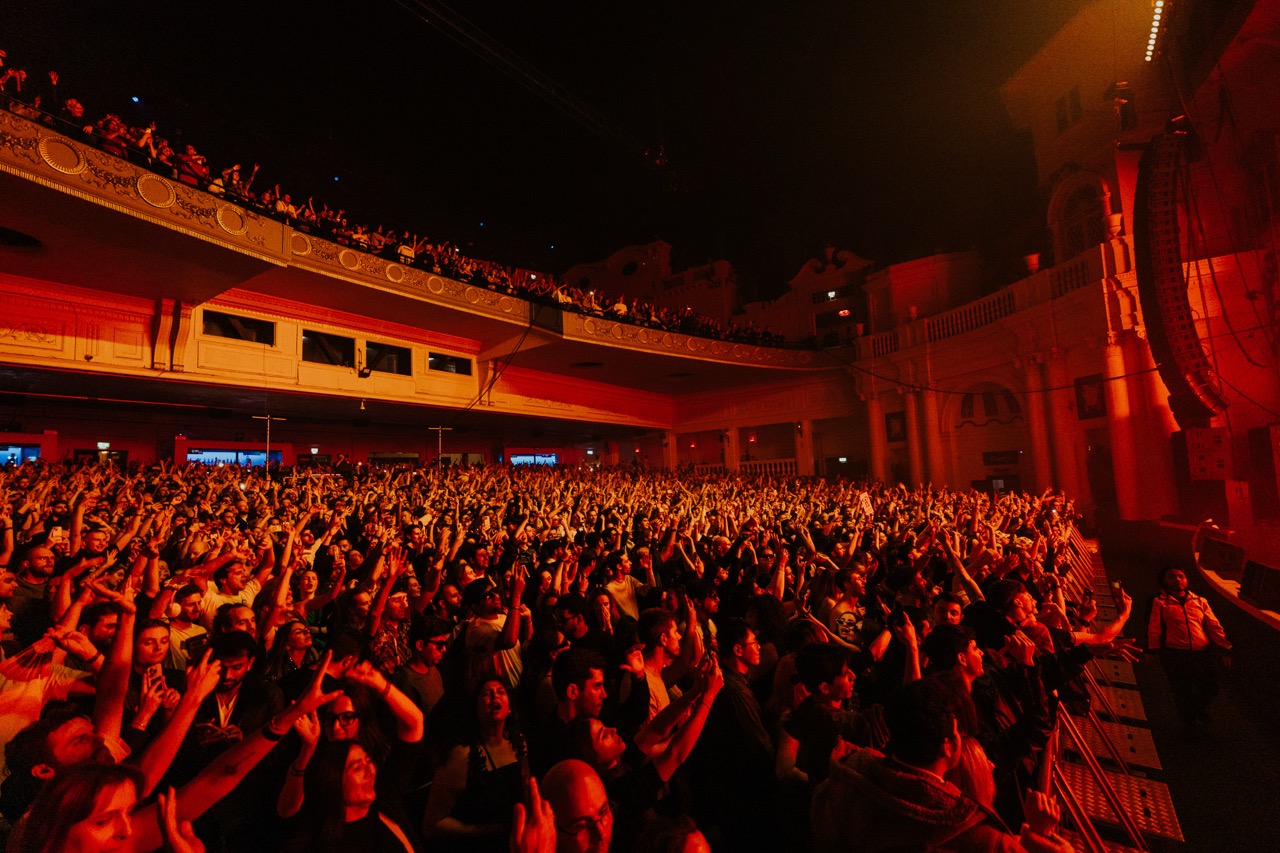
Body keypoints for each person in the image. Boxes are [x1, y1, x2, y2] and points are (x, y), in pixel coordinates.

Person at [810, 678, 1071, 853]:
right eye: (958, 732)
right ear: (947, 745)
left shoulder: (838, 785)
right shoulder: (980, 838)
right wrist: (1039, 837)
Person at [423, 677, 527, 851]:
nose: (495, 696)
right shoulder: (462, 755)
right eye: (486, 694)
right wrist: (483, 831)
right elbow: (432, 825)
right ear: (475, 709)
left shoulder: (519, 742)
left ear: (509, 708)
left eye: (501, 692)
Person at [1147, 566, 1232, 737]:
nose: (1178, 580)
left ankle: (1197, 709)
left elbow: (1214, 625)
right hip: (1175, 654)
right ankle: (1190, 726)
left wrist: (1225, 649)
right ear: (1164, 581)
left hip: (1202, 653)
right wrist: (1152, 650)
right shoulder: (1159, 602)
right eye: (1172, 577)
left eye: (1181, 576)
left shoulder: (1200, 601)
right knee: (1181, 691)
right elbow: (1154, 627)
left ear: (1186, 580)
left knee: (1211, 688)